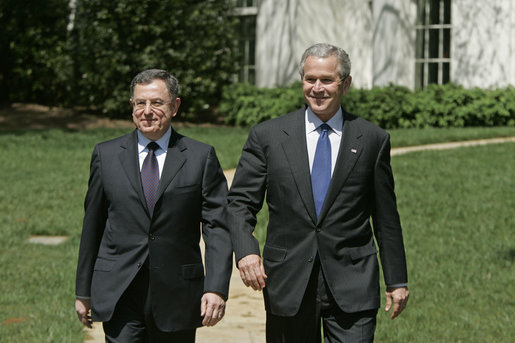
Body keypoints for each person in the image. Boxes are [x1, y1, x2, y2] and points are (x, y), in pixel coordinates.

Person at [227, 43, 409, 342]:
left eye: (326, 80)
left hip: (353, 281)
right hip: (287, 280)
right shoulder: (268, 136)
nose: (317, 88)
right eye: (310, 79)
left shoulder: (372, 140)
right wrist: (246, 252)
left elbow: (386, 218)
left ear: (345, 84)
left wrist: (397, 279)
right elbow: (239, 204)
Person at [75, 69, 233, 342]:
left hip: (177, 294)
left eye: (157, 103)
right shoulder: (106, 155)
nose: (147, 111)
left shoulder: (200, 156)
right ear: (132, 106)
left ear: (175, 106)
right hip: (120, 290)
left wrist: (216, 288)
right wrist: (83, 292)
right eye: (140, 103)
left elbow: (217, 227)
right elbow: (93, 225)